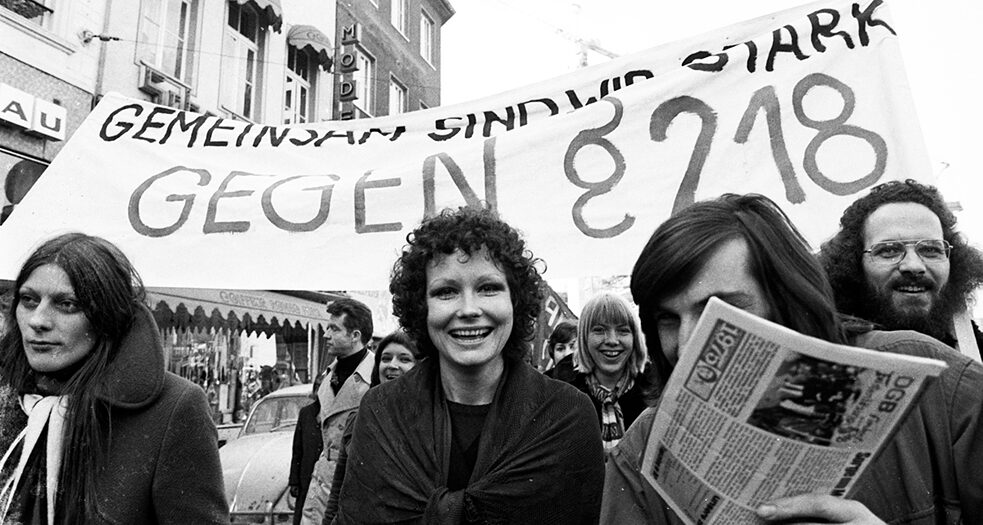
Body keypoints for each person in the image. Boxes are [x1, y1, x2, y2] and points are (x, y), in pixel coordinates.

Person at [602, 194, 983, 524]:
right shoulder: (641, 453)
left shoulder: (939, 388)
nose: (686, 344)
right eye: (667, 319)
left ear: (787, 299)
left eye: (718, 310)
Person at [335, 206, 604, 524]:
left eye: (488, 288)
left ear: (515, 301)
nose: (468, 309)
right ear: (421, 307)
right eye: (446, 292)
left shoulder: (567, 415)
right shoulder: (381, 411)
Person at [0, 233, 228, 524]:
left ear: (106, 315)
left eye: (67, 304)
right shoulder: (8, 395)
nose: (38, 320)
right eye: (29, 300)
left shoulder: (174, 408)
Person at [820, 179, 983, 352]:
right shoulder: (819, 354)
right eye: (889, 250)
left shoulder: (975, 353)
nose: (914, 266)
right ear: (853, 265)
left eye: (930, 249)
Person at [324, 330, 422, 523]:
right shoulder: (358, 418)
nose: (392, 365)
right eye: (386, 358)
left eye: (404, 359)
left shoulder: (430, 422)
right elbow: (339, 490)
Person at [301, 298, 376, 525]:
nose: (325, 334)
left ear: (355, 335)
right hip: (322, 478)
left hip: (356, 481)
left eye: (334, 328)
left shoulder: (376, 376)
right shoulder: (327, 375)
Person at [569, 293, 649, 451]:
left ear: (635, 338)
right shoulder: (562, 397)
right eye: (599, 330)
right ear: (584, 338)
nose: (612, 340)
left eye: (623, 331)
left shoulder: (657, 392)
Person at [290, 374, 325, 525]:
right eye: (316, 386)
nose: (318, 391)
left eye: (322, 386)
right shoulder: (306, 413)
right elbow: (297, 450)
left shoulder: (334, 414)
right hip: (306, 478)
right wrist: (294, 481)